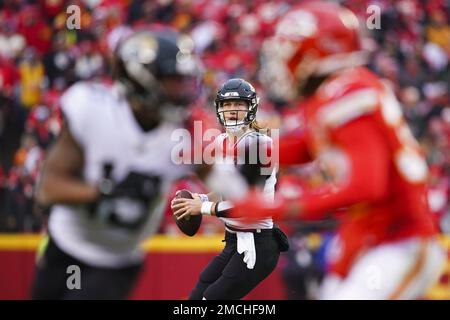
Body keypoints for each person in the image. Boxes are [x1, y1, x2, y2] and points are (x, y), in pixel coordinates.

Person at [230, 2, 445, 300]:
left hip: (399, 240)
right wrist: (236, 149)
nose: (282, 62)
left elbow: (367, 186)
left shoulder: (347, 94)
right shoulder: (336, 93)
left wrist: (277, 207)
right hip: (370, 238)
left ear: (314, 52)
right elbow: (306, 147)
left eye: (289, 50)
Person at [31, 28, 202, 299]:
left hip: (118, 261)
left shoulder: (188, 133)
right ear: (142, 77)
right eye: (173, 79)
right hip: (65, 245)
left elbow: (227, 183)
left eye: (183, 80)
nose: (180, 89)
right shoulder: (94, 109)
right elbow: (48, 189)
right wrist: (105, 191)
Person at [171, 78, 285, 300]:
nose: (232, 110)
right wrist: (202, 197)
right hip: (234, 240)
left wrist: (202, 207)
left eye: (238, 104)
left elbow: (247, 205)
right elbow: (228, 191)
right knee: (196, 298)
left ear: (250, 108)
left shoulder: (261, 146)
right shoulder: (221, 141)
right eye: (227, 105)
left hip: (257, 243)